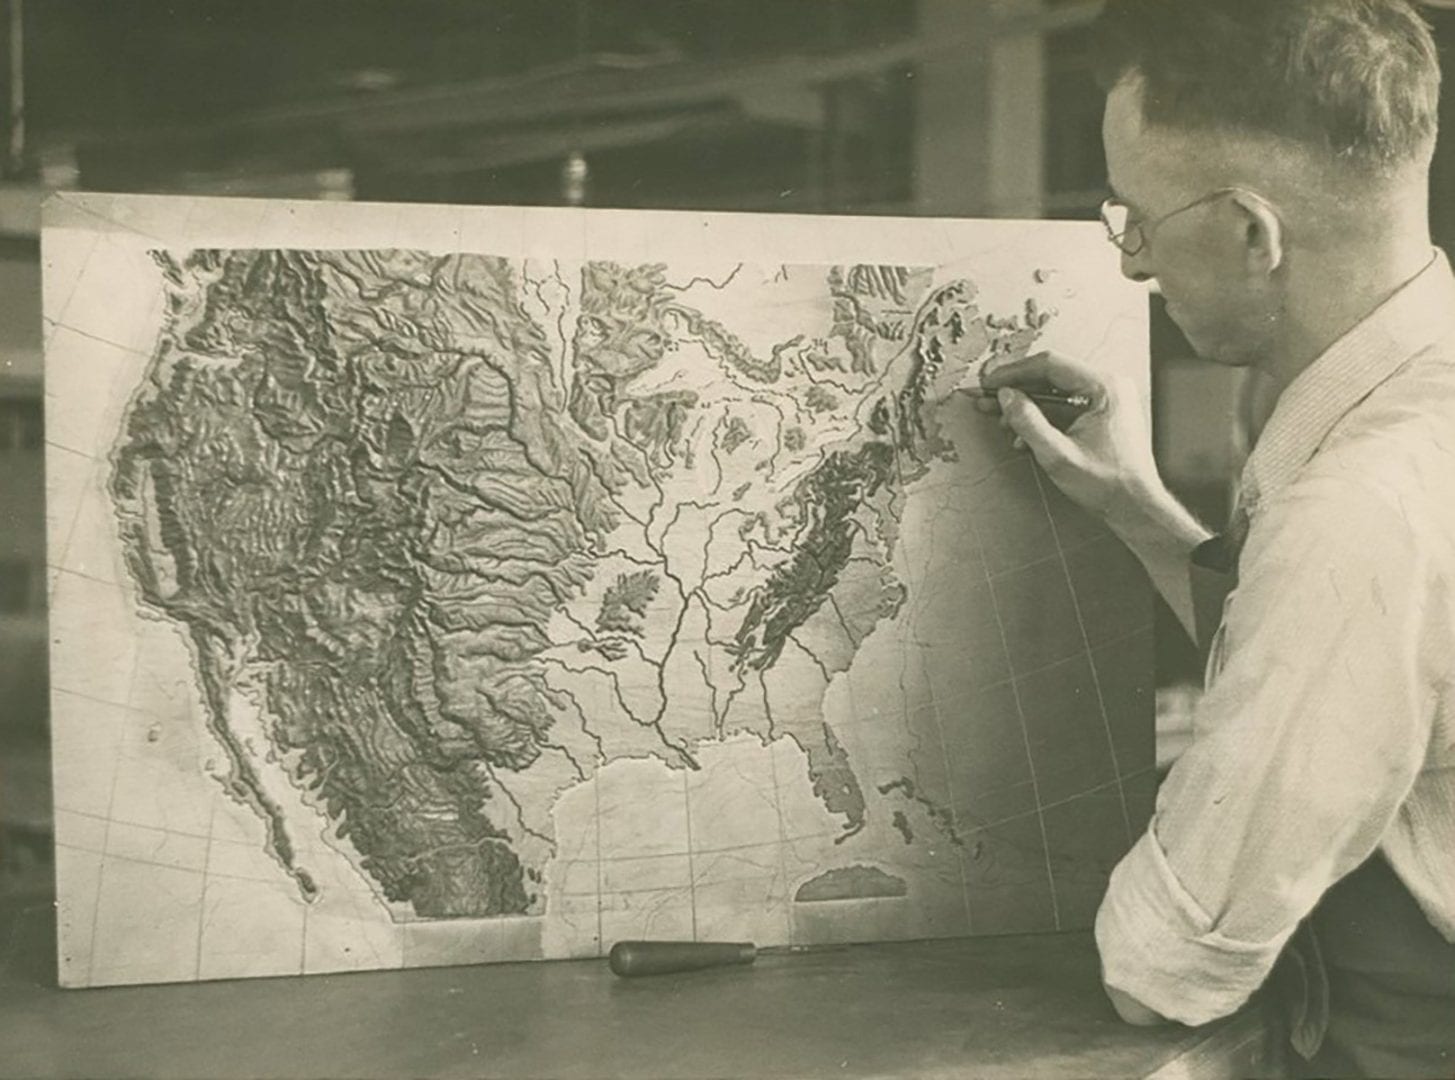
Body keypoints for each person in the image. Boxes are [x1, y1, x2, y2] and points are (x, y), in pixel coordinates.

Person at [979, 1, 1455, 1076]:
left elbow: (1168, 965)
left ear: (1254, 233)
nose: (1133, 264)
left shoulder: (1357, 509)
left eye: (1137, 217)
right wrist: (1135, 507)